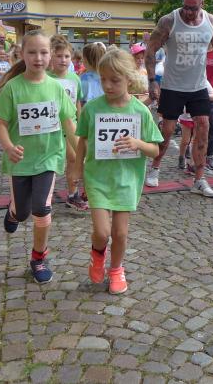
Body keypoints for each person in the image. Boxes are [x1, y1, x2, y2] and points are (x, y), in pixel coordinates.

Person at [71, 48, 162, 294]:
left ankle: (116, 269)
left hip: (127, 179)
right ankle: (97, 254)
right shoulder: (92, 108)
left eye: (115, 80)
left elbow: (154, 149)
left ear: (129, 80)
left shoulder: (140, 111)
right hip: (98, 178)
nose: (108, 86)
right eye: (103, 79)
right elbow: (82, 140)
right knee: (102, 232)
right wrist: (77, 169)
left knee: (120, 233)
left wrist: (138, 143)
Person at [0, 30, 77, 284]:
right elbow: (0, 123)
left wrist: (82, 155)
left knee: (41, 208)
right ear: (22, 54)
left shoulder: (56, 88)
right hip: (20, 161)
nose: (38, 58)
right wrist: (8, 147)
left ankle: (39, 258)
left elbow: (69, 123)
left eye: (43, 52)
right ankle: (13, 212)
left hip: (48, 158)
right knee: (22, 213)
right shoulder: (13, 88)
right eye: (32, 52)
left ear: (50, 55)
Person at [144, 0, 213, 198]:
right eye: (186, 7)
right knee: (167, 131)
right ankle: (155, 167)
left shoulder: (211, 21)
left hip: (198, 86)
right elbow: (151, 49)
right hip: (172, 85)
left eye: (193, 8)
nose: (189, 12)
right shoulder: (169, 21)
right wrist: (152, 81)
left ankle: (199, 179)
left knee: (203, 128)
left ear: (202, 3)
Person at [47, 36, 87, 211]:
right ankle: (44, 196)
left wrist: (81, 124)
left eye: (66, 56)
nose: (63, 60)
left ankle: (73, 194)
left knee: (74, 159)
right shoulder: (45, 78)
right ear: (51, 57)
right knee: (49, 162)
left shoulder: (75, 78)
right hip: (51, 128)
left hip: (71, 127)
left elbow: (77, 103)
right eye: (59, 56)